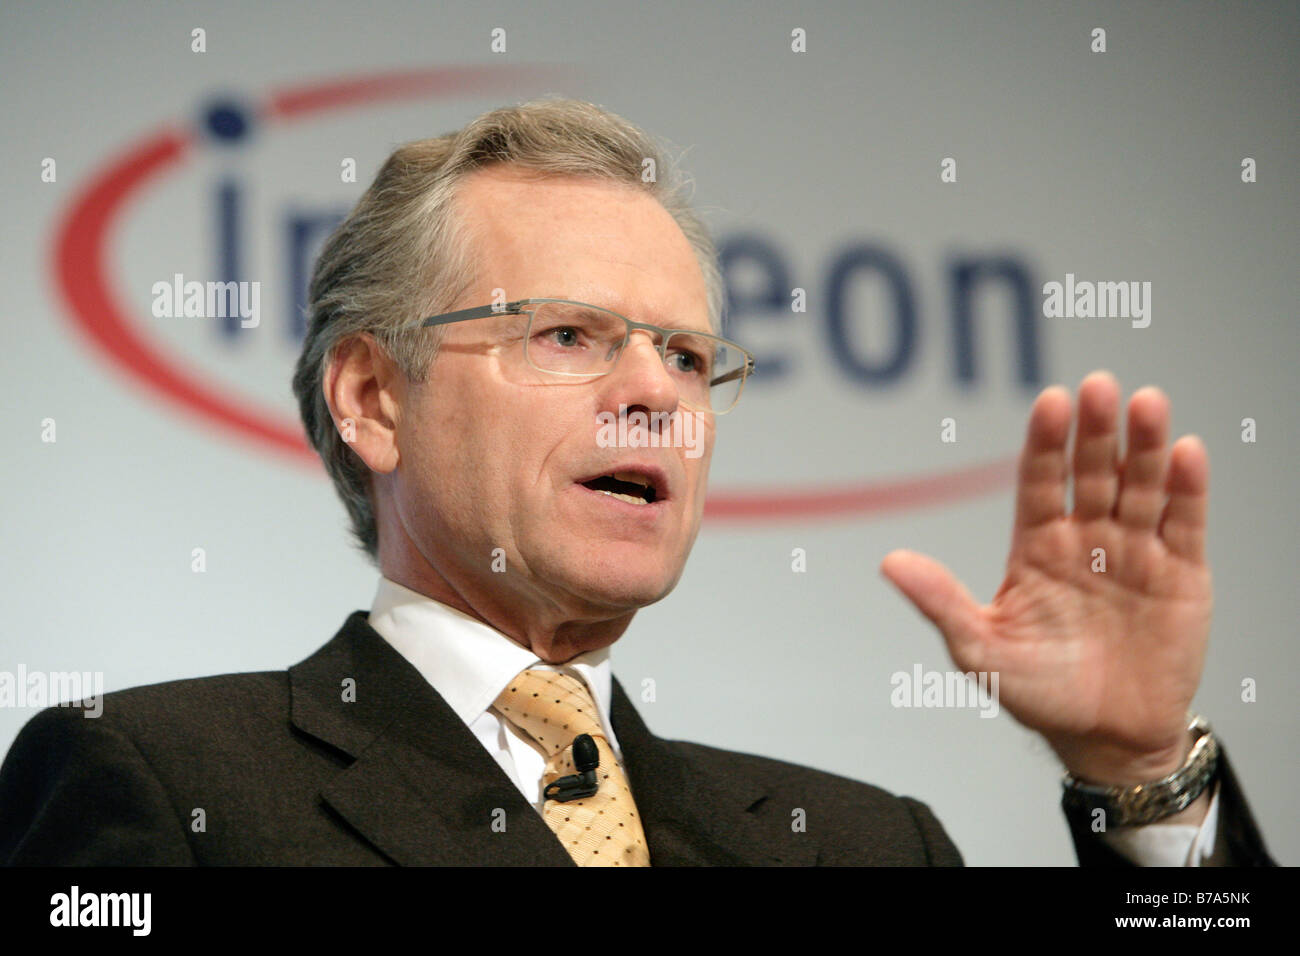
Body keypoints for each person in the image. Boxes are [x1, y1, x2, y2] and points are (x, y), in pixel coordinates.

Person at [0, 98, 1275, 866]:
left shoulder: (866, 843)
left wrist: (1137, 772)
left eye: (684, 352)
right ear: (372, 398)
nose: (656, 392)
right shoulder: (160, 781)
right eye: (568, 334)